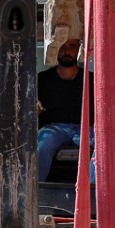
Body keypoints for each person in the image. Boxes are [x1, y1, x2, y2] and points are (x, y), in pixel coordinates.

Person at [37, 38, 86, 180]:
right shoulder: (41, 80)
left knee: (105, 147)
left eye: (72, 46)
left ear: (79, 49)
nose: (67, 51)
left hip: (84, 130)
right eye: (62, 46)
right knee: (41, 146)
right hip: (53, 129)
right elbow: (25, 103)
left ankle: (96, 193)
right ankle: (36, 192)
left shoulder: (92, 81)